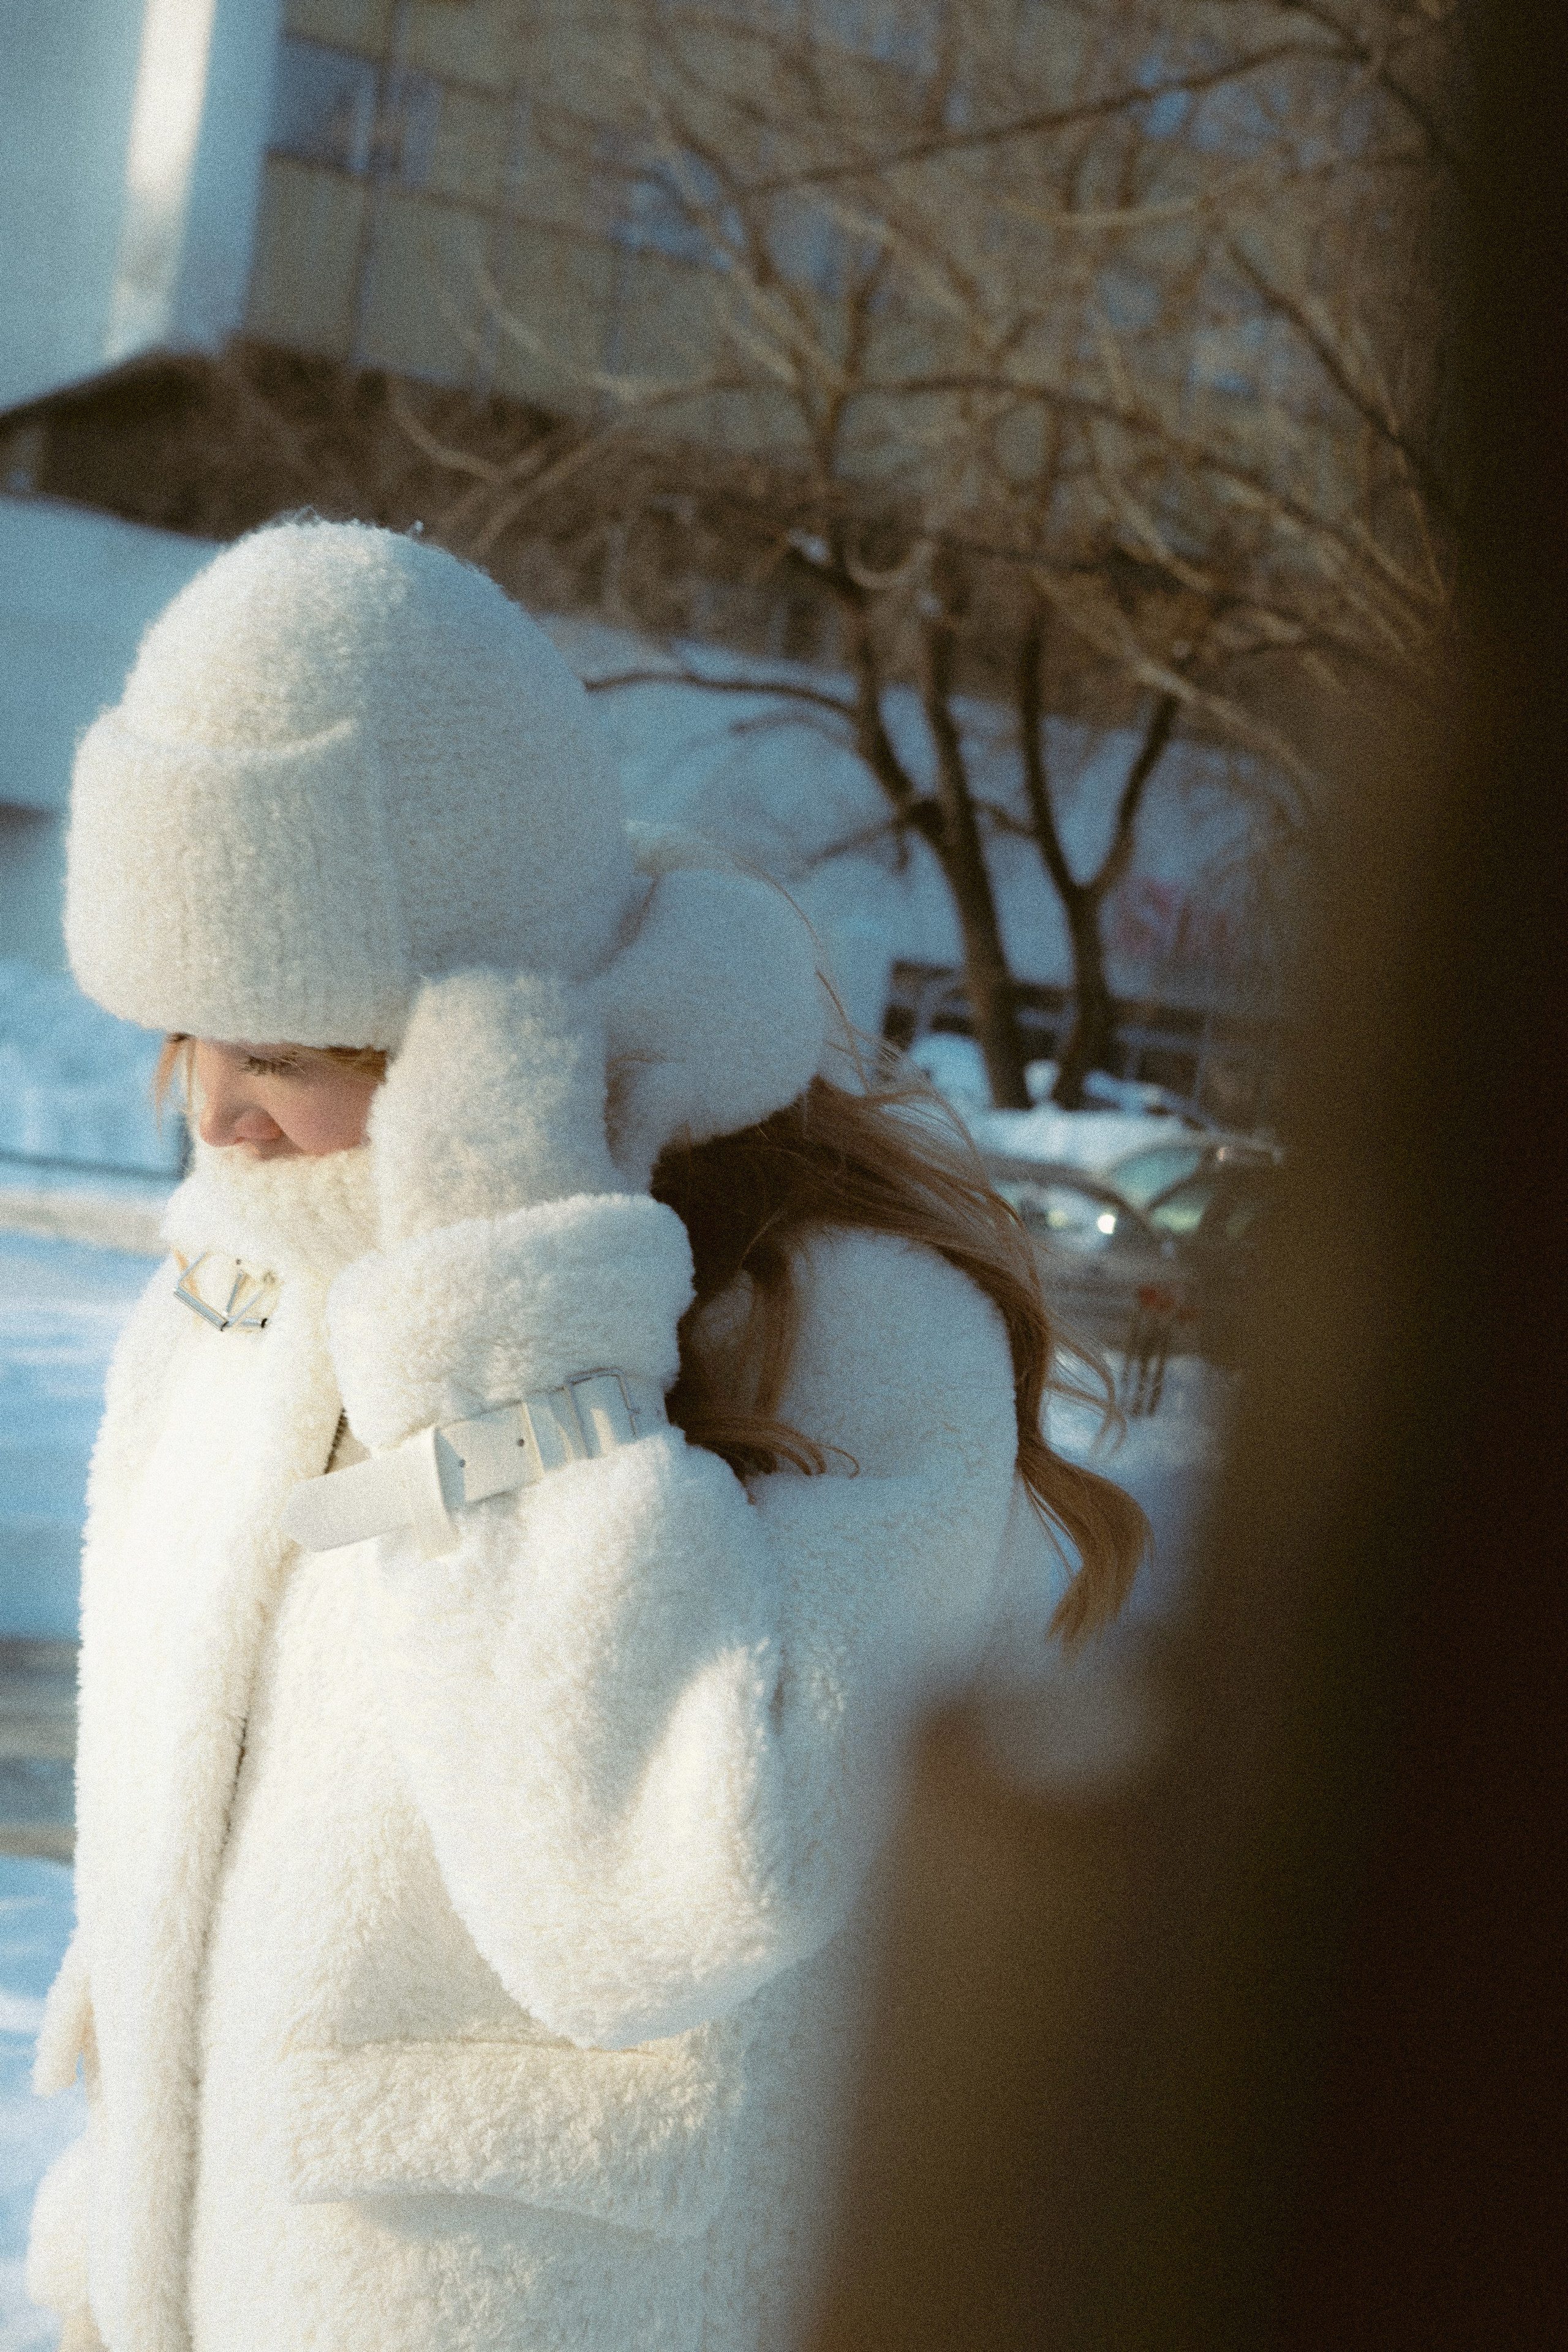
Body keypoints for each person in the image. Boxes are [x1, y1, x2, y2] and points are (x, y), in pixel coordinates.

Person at [26, 519, 1146, 2352]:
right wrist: (89, 2270)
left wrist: (522, 1322)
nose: (213, 1114)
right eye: (183, 1029)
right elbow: (170, 1883)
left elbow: (657, 1902)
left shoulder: (848, 1332)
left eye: (287, 1044)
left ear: (480, 1029)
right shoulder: (230, 1298)